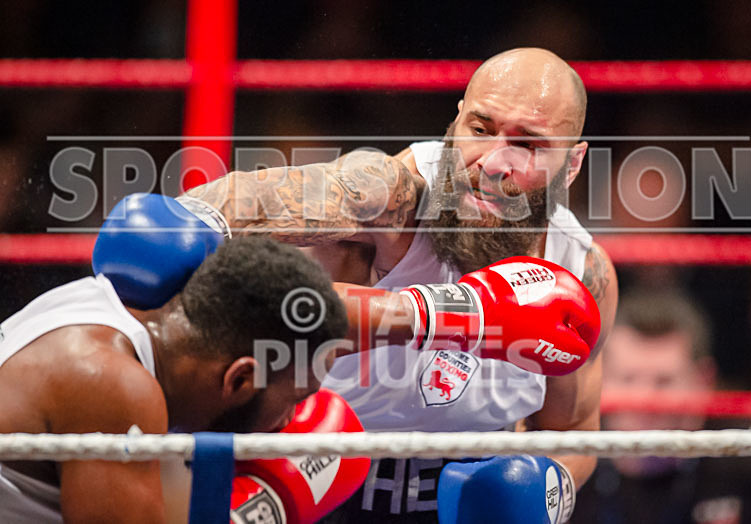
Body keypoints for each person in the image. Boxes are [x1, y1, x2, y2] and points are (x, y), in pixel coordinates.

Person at [107, 47, 618, 522]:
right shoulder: (393, 198)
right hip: (310, 481)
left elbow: (573, 429)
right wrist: (188, 220)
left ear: (572, 163)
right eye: (480, 128)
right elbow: (286, 196)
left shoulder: (582, 274)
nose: (491, 162)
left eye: (527, 144)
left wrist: (547, 489)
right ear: (457, 120)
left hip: (462, 504)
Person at [0, 234, 357, 523]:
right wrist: (258, 511)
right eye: (295, 399)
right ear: (241, 380)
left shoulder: (105, 304)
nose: (291, 419)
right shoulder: (115, 387)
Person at [572, 288, 751, 524]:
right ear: (601, 380)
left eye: (664, 381)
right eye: (628, 379)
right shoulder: (571, 477)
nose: (645, 399)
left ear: (703, 381)